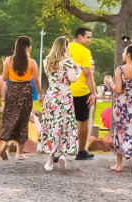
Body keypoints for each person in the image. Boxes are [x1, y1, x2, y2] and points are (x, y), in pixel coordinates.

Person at [103, 44, 132, 177]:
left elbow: (117, 89)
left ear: (128, 55)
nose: (122, 54)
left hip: (122, 105)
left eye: (124, 52)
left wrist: (109, 83)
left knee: (119, 133)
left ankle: (119, 164)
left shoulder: (120, 70)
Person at [38, 36, 80, 170]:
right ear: (64, 47)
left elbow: (51, 78)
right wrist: (78, 70)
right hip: (64, 98)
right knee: (64, 125)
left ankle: (50, 160)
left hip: (51, 96)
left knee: (51, 125)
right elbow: (72, 78)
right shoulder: (68, 62)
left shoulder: (46, 61)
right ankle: (62, 155)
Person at [0, 36, 41, 160]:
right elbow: (37, 81)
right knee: (23, 121)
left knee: (9, 118)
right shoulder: (32, 62)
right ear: (28, 47)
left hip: (12, 90)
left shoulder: (9, 61)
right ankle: (19, 153)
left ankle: (5, 145)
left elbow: (4, 77)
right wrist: (40, 95)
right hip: (25, 91)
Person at [69, 27, 96, 160]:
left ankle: (58, 151)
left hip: (65, 90)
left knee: (64, 121)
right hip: (80, 91)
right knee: (83, 121)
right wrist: (93, 92)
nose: (90, 40)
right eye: (88, 37)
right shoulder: (85, 52)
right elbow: (87, 73)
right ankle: (81, 151)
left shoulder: (65, 48)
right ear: (80, 36)